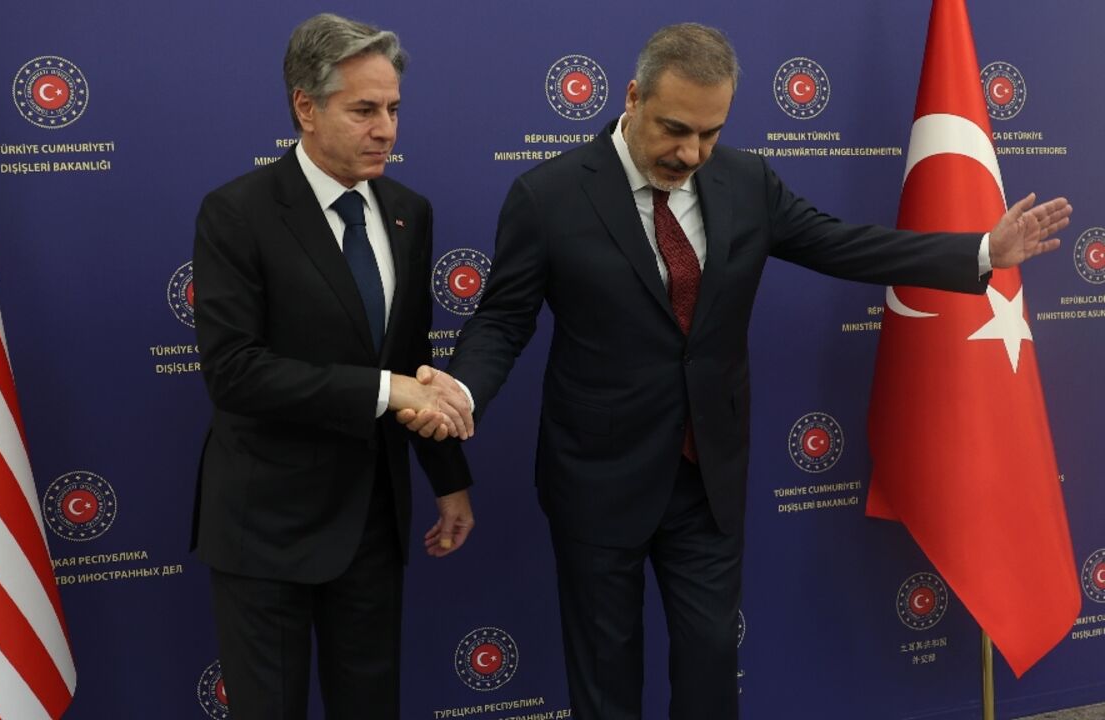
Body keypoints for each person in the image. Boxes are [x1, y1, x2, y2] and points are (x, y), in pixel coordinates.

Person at [400, 22, 1069, 720]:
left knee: (711, 660)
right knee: (604, 671)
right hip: (597, 476)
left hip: (706, 474)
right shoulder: (549, 195)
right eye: (674, 129)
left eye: (710, 133)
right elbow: (504, 320)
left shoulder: (745, 180)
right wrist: (465, 387)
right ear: (632, 97)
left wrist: (980, 253)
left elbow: (841, 245)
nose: (690, 153)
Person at [190, 13, 476, 719]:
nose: (387, 130)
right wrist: (385, 389)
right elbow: (235, 372)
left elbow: (414, 361)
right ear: (306, 108)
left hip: (373, 524)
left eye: (394, 109)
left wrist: (448, 482)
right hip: (266, 531)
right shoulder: (237, 213)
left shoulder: (410, 212)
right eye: (365, 110)